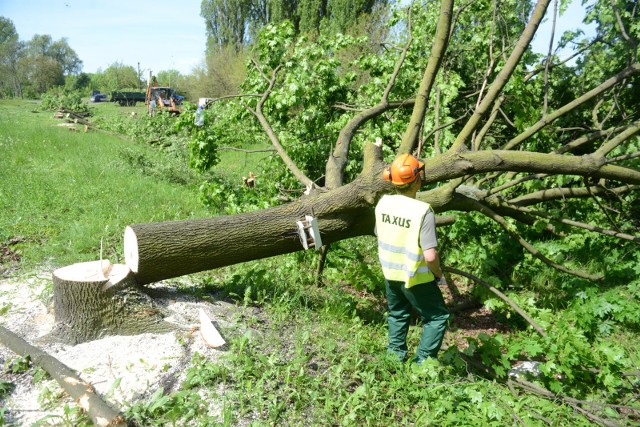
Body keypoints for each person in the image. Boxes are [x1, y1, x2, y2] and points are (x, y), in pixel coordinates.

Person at [375, 153, 450, 364]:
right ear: (417, 180)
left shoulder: (383, 204)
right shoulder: (422, 211)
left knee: (398, 314)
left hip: (390, 272)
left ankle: (394, 357)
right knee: (436, 317)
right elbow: (430, 255)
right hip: (416, 276)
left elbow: (380, 232)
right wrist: (438, 274)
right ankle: (422, 365)